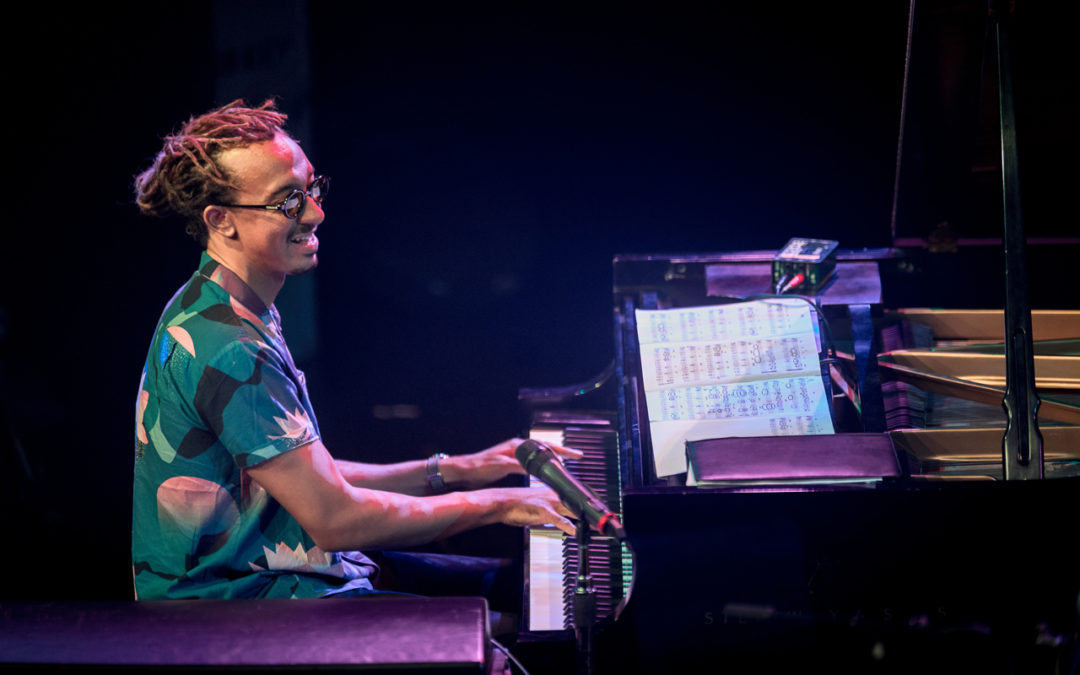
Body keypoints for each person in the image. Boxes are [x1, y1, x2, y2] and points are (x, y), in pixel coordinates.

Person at [131, 99, 576, 601]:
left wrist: (462, 469)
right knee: (507, 620)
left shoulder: (217, 301)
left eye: (311, 189)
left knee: (516, 592)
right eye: (288, 201)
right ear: (222, 220)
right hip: (231, 605)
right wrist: (495, 504)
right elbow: (336, 520)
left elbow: (308, 481)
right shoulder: (229, 345)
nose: (316, 212)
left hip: (274, 573)